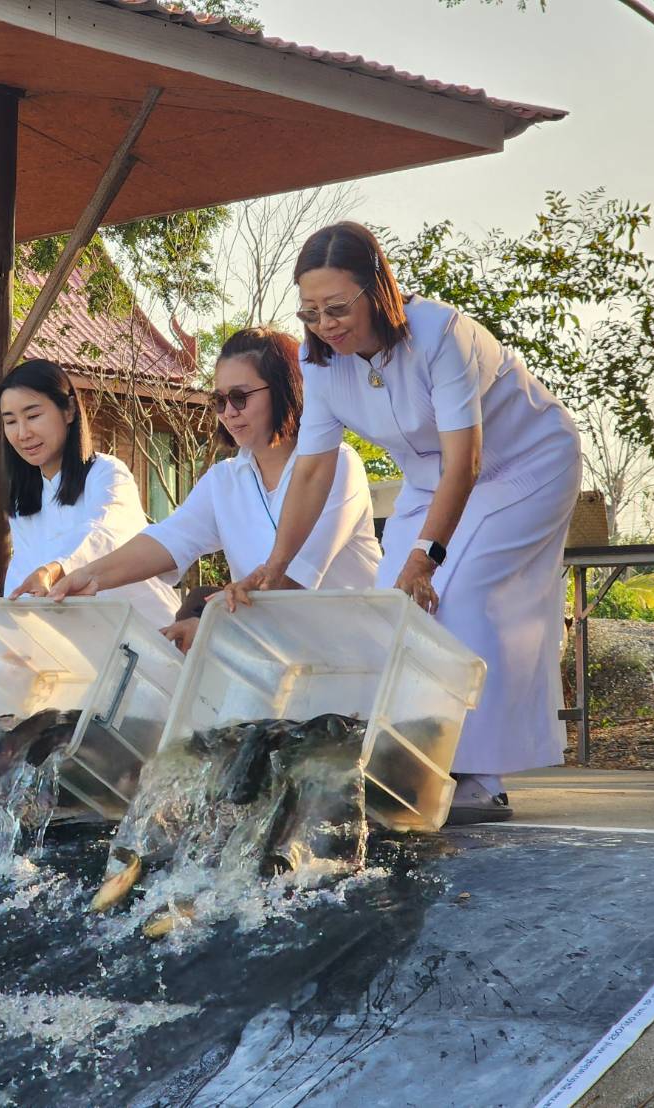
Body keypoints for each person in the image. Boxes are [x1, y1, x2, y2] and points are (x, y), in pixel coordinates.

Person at [237, 221, 582, 825]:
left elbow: (466, 459)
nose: (326, 325)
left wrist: (427, 555)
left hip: (525, 463)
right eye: (312, 312)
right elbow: (312, 471)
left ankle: (477, 777)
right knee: (393, 606)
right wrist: (276, 563)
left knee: (460, 591)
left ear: (377, 290)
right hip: (432, 480)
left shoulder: (440, 333)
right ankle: (414, 761)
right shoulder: (322, 365)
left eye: (339, 308)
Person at [50, 327, 380, 651]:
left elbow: (290, 581)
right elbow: (169, 539)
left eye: (240, 397)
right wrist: (87, 576)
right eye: (219, 401)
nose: (229, 413)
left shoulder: (338, 465)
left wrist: (210, 630)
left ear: (284, 389)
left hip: (361, 665)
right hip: (278, 662)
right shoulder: (225, 479)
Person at [0, 359, 178, 626]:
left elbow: (103, 534)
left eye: (33, 416)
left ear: (69, 410)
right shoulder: (22, 499)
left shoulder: (107, 473)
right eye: (10, 421)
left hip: (149, 636)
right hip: (82, 646)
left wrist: (56, 568)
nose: (22, 433)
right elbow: (22, 572)